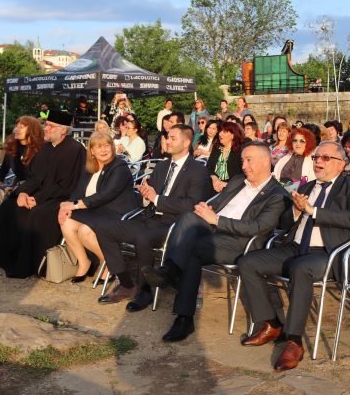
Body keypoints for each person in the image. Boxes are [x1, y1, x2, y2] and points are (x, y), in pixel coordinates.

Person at [236, 141, 350, 372]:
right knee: (248, 262)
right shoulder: (306, 187)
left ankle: (294, 341)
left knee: (301, 268)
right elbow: (285, 223)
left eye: (325, 158)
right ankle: (271, 323)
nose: (318, 162)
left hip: (329, 252)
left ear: (340, 164)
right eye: (316, 157)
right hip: (296, 247)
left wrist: (313, 211)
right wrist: (296, 210)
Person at [143, 142, 291, 341]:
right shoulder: (238, 181)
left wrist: (217, 220)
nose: (244, 166)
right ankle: (175, 287)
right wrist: (207, 210)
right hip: (212, 230)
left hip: (241, 242)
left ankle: (180, 305)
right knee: (188, 218)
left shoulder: (278, 195)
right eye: (242, 161)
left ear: (266, 161)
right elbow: (218, 204)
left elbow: (257, 228)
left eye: (249, 161)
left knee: (191, 250)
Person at [94, 125, 213, 309]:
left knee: (142, 237)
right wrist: (145, 192)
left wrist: (156, 198)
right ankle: (127, 284)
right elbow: (151, 197)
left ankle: (145, 291)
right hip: (148, 218)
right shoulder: (162, 165)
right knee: (103, 227)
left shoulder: (198, 171)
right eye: (167, 137)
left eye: (173, 138)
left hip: (174, 225)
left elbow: (191, 205)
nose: (168, 141)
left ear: (186, 142)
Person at [0, 110, 86, 278]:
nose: (46, 129)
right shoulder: (45, 148)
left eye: (50, 126)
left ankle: (35, 265)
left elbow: (66, 185)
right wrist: (22, 193)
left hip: (64, 197)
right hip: (42, 194)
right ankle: (7, 257)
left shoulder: (75, 149)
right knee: (9, 205)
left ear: (63, 130)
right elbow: (35, 178)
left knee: (38, 213)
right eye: (46, 125)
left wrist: (37, 198)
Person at [58, 132, 137, 283]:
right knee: (66, 221)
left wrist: (75, 205)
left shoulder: (119, 166)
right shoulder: (89, 168)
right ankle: (84, 262)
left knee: (84, 230)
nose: (103, 150)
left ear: (113, 148)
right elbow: (78, 191)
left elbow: (105, 195)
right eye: (98, 147)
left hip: (118, 213)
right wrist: (67, 206)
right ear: (92, 151)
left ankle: (108, 262)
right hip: (97, 211)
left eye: (107, 145)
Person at [0, 116, 44, 251]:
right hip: (17, 185)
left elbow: (39, 178)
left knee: (1, 195)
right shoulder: (13, 148)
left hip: (35, 186)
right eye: (16, 126)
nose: (16, 129)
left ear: (32, 129)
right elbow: (1, 175)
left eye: (21, 126)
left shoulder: (40, 150)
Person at [206, 121, 244, 193]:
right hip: (213, 184)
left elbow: (243, 175)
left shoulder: (240, 151)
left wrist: (227, 184)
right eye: (220, 131)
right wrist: (214, 179)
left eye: (224, 132)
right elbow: (209, 168)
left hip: (232, 189)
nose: (220, 134)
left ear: (233, 135)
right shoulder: (216, 148)